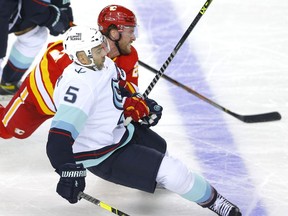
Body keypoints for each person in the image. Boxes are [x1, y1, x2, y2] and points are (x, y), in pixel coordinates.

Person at [46, 26, 241, 216]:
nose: (105, 52)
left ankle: (155, 178)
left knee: (161, 148)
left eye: (102, 46)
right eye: (98, 50)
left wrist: (138, 103)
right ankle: (215, 202)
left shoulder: (103, 64)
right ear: (81, 57)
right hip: (102, 153)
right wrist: (68, 172)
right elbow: (58, 137)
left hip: (119, 131)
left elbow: (117, 90)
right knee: (174, 173)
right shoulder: (79, 87)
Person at [0, 4, 140, 139]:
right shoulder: (81, 50)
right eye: (131, 32)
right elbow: (55, 53)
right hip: (39, 99)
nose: (134, 37)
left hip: (74, 107)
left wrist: (138, 105)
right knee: (8, 130)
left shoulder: (129, 56)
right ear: (115, 33)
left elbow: (130, 90)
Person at [0, 0, 73, 95]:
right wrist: (53, 17)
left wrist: (64, 10)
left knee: (35, 36)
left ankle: (8, 83)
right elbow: (33, 9)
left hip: (10, 11)